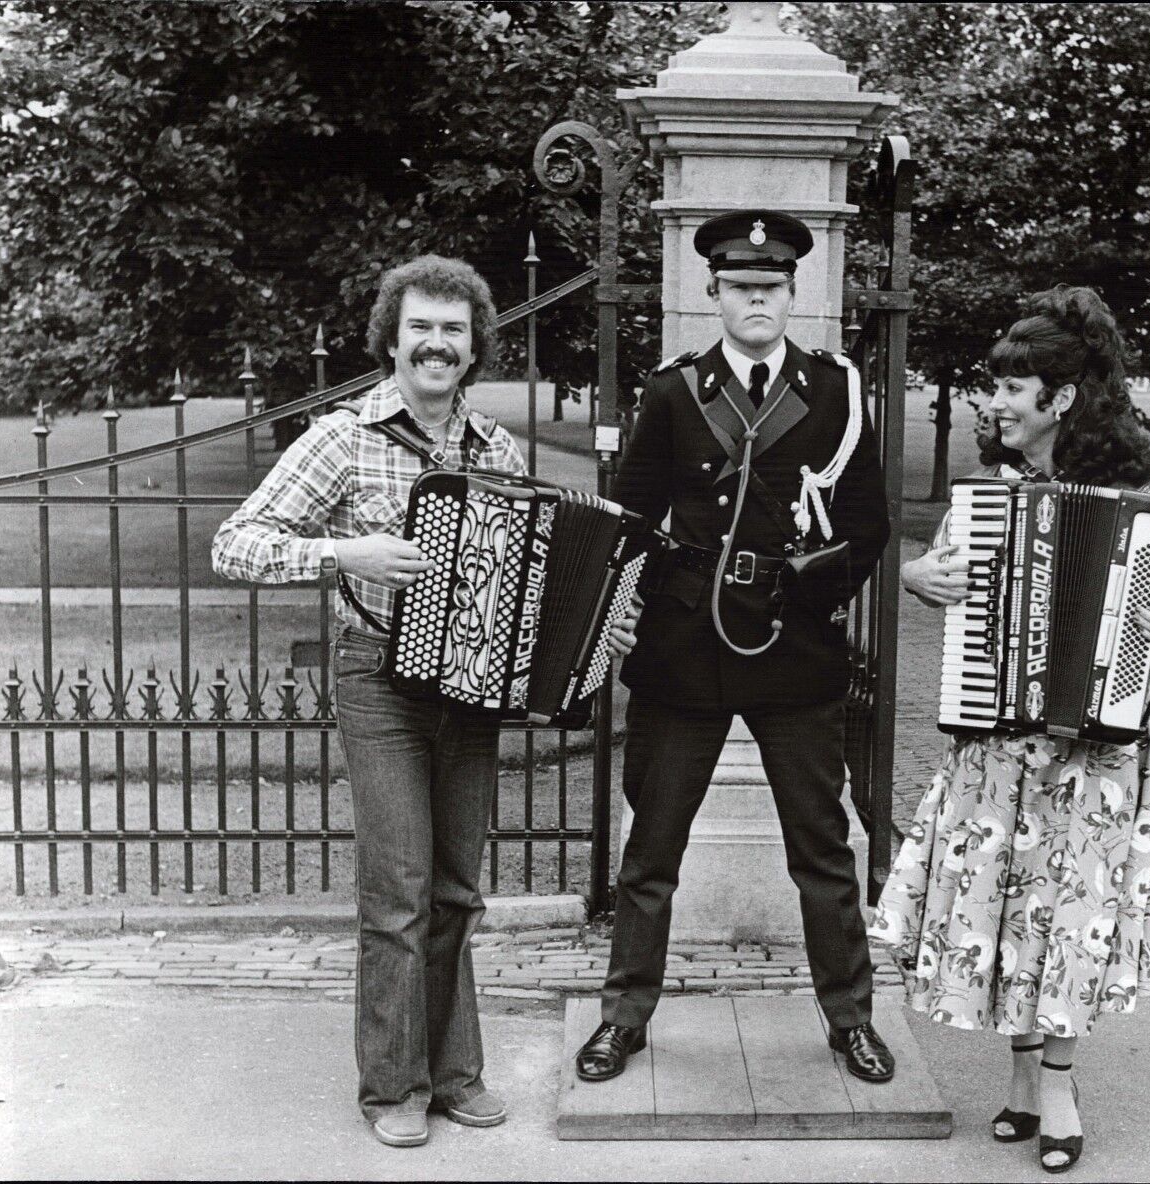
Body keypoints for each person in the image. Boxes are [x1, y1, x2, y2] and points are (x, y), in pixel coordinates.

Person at [213, 254, 639, 1148]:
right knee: (398, 889)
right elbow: (236, 543)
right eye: (421, 329)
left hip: (471, 688)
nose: (436, 345)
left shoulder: (493, 448)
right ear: (393, 340)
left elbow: (530, 585)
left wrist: (588, 632)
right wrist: (344, 556)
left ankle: (454, 1073)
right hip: (378, 680)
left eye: (453, 330)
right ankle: (390, 1087)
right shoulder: (341, 436)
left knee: (455, 891)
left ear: (473, 344)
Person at [873, 285, 1150, 1173]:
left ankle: (1057, 1087)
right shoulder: (988, 499)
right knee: (1007, 906)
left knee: (1074, 912)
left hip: (1098, 751)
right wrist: (921, 579)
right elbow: (939, 576)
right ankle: (1016, 1080)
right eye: (995, 387)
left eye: (1014, 388)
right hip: (999, 743)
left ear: (1062, 398)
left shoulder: (1130, 502)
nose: (995, 403)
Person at [574, 209, 897, 1085]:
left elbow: (869, 525)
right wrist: (624, 613)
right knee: (653, 851)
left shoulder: (836, 390)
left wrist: (813, 585)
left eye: (773, 286)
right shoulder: (675, 391)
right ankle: (625, 1017)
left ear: (794, 295)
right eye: (740, 287)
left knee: (822, 852)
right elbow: (632, 521)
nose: (757, 299)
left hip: (795, 645)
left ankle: (850, 1021)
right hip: (685, 641)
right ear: (713, 294)